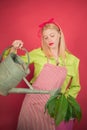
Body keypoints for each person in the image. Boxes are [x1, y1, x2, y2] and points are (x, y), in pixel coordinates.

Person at [9, 19, 81, 130]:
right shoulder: (37, 53)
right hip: (33, 105)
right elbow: (12, 64)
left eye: (52, 35)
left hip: (55, 108)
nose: (49, 40)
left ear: (60, 34)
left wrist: (63, 103)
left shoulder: (73, 61)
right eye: (45, 37)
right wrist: (14, 48)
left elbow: (75, 86)